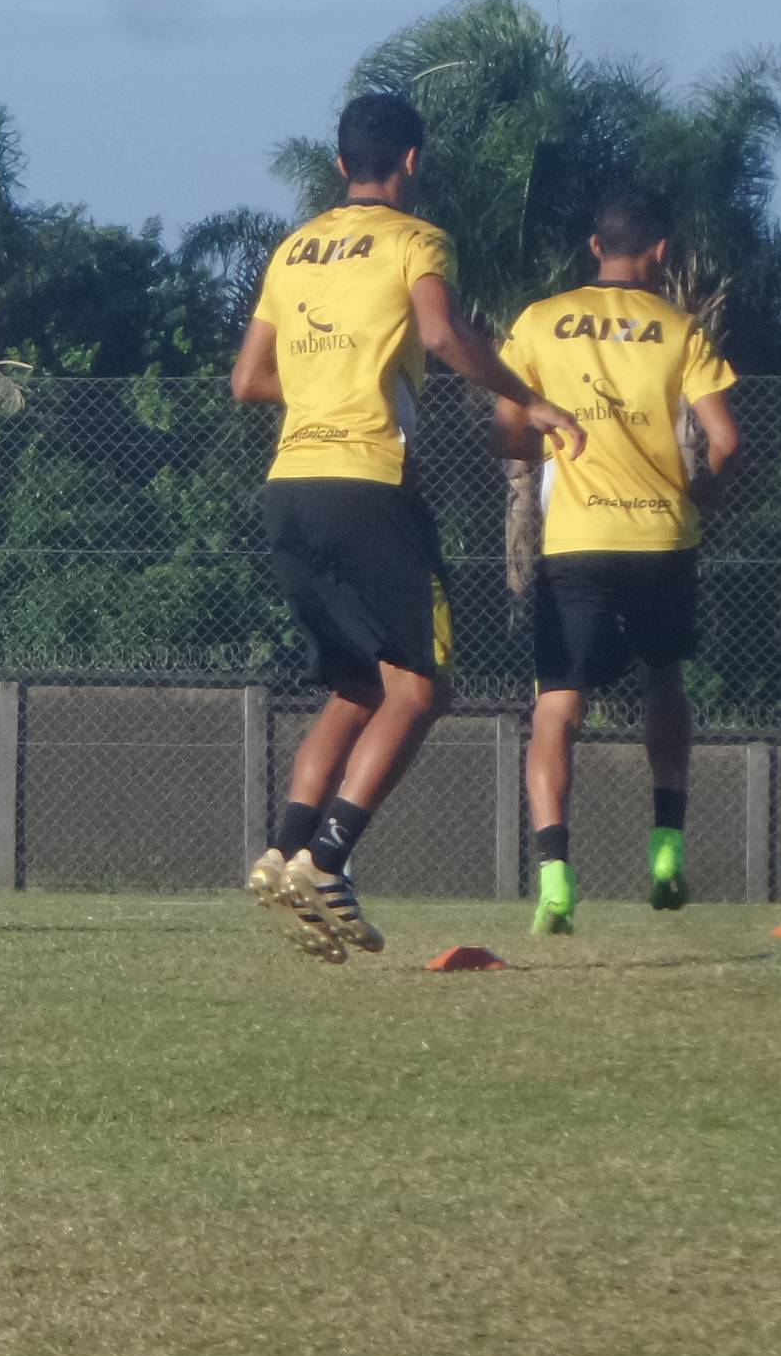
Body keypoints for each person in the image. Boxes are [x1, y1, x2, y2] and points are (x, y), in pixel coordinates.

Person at [233, 90, 584, 962]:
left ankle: (283, 851)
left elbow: (249, 378)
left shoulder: (295, 246)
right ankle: (331, 856)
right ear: (413, 163)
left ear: (341, 160)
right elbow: (444, 335)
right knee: (420, 689)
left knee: (356, 686)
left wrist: (322, 390)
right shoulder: (416, 240)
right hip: (367, 485)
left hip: (289, 488)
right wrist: (524, 397)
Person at [494, 193, 741, 934]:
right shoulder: (678, 328)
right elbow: (727, 441)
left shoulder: (540, 320)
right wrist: (698, 489)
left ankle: (555, 875)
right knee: (663, 676)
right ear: (661, 252)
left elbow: (507, 433)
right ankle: (666, 845)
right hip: (663, 538)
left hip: (577, 541)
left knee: (558, 701)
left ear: (593, 245)